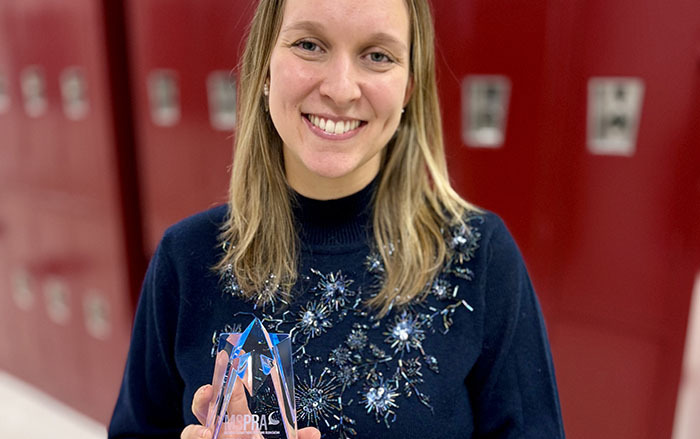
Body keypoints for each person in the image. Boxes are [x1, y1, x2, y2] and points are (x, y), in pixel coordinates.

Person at [108, 0, 565, 438]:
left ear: (408, 86)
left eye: (378, 55)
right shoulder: (188, 259)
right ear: (265, 66)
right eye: (310, 45)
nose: (341, 88)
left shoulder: (475, 257)